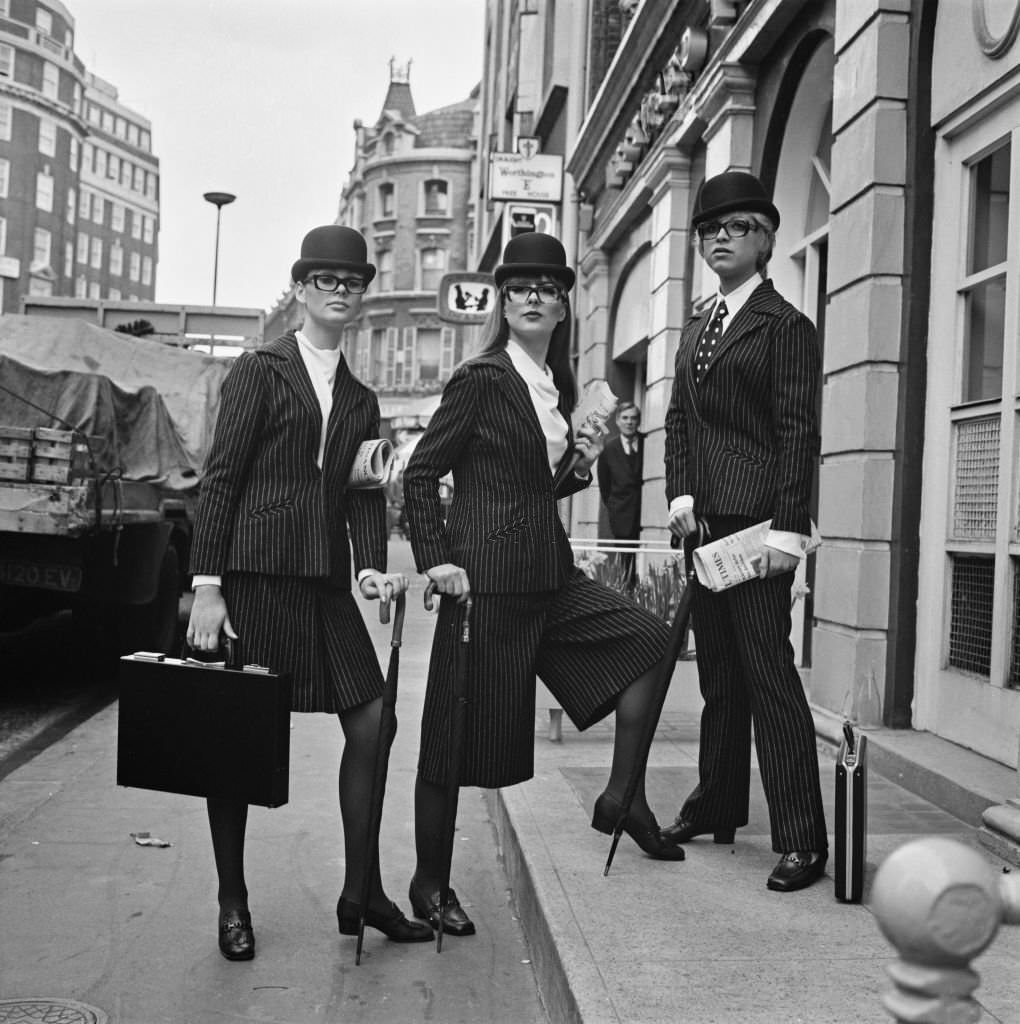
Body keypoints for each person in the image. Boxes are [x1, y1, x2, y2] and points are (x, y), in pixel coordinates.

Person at [402, 232, 684, 940]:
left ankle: (623, 795)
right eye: (521, 287)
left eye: (548, 289)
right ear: (505, 301)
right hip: (486, 590)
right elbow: (420, 472)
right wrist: (437, 559)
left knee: (651, 643)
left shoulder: (554, 389)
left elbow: (531, 489)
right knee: (451, 742)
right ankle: (429, 883)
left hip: (548, 578)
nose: (534, 298)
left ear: (563, 307)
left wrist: (579, 469)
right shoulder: (482, 378)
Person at [186, 225, 432, 960]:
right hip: (255, 578)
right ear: (301, 289)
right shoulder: (262, 369)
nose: (341, 292)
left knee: (375, 723)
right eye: (327, 280)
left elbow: (360, 492)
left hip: (323, 584)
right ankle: (232, 901)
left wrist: (368, 566)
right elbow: (221, 477)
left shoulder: (360, 397)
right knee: (236, 745)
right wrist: (207, 586)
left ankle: (362, 892)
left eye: (353, 282)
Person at [661, 171, 828, 892]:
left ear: (766, 238)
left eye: (736, 227)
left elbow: (799, 434)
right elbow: (677, 421)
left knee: (769, 677)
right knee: (721, 678)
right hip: (706, 528)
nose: (719, 238)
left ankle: (802, 839)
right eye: (710, 230)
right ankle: (717, 804)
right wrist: (680, 492)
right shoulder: (698, 327)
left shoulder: (786, 327)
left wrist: (788, 533)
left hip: (760, 530)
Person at [596, 402, 644, 586]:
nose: (629, 422)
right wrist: (615, 507)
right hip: (621, 513)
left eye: (633, 418)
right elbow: (604, 485)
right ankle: (629, 593)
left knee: (649, 558)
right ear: (617, 421)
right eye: (625, 418)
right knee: (626, 561)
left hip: (644, 513)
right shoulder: (608, 449)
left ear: (638, 420)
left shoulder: (649, 442)